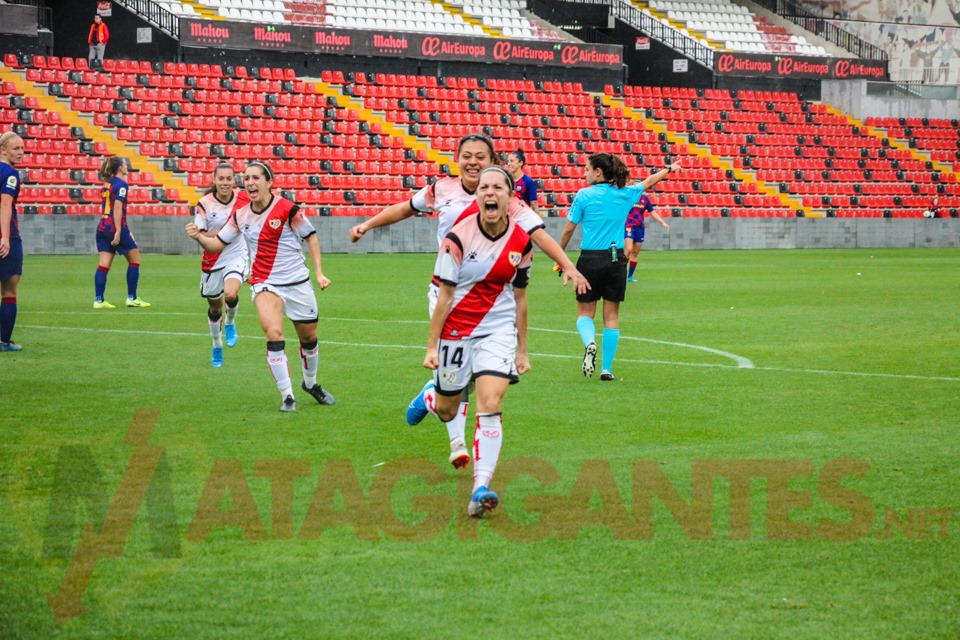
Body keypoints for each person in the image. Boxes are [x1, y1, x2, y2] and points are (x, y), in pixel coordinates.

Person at [350, 133, 587, 469]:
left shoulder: (506, 199)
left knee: (480, 374)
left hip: (491, 301)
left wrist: (568, 266)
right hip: (447, 294)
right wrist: (367, 224)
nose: (473, 162)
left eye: (480, 156)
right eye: (466, 156)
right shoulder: (440, 189)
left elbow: (538, 235)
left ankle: (436, 401)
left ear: (492, 162)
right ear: (456, 159)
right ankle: (456, 441)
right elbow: (405, 208)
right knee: (466, 374)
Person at [425, 166, 533, 518]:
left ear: (509, 195)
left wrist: (521, 349)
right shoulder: (457, 238)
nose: (489, 192)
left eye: (497, 187)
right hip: (456, 329)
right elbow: (444, 297)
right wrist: (431, 346)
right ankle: (430, 395)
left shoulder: (522, 241)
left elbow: (520, 298)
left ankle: (479, 488)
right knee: (448, 409)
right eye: (483, 187)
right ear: (477, 196)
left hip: (498, 329)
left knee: (491, 400)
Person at [186, 160, 335, 412]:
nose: (250, 182)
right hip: (265, 283)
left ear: (269, 182)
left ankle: (310, 383)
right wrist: (199, 236)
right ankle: (287, 395)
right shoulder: (240, 215)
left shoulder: (288, 209)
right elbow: (216, 245)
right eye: (246, 178)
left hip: (297, 282)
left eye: (256, 178)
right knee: (274, 335)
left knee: (309, 338)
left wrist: (319, 273)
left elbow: (310, 237)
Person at [558, 154, 681, 381]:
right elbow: (650, 181)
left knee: (585, 313)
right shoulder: (626, 194)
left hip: (590, 260)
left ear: (598, 172)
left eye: (587, 169)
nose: (584, 173)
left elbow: (568, 230)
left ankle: (590, 342)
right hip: (616, 261)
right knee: (612, 317)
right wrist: (669, 169)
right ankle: (606, 369)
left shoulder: (584, 195)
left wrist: (559, 258)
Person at [194, 162, 250, 367]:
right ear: (215, 180)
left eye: (229, 179)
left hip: (236, 254)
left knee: (231, 293)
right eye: (221, 179)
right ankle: (216, 345)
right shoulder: (204, 204)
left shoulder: (244, 199)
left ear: (234, 181)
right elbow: (200, 234)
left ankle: (230, 323)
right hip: (212, 259)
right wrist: (226, 233)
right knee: (215, 309)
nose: (225, 183)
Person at [94, 156, 150, 309]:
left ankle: (98, 300)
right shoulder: (122, 185)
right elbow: (117, 207)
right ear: (120, 168)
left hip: (102, 227)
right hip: (114, 228)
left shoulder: (107, 184)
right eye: (125, 164)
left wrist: (126, 230)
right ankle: (131, 298)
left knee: (103, 265)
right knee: (135, 260)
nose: (127, 166)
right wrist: (119, 231)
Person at [0, 132, 25, 352]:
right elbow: (5, 205)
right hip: (6, 237)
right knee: (9, 291)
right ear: (3, 150)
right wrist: (5, 237)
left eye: (22, 149)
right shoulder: (10, 174)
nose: (20, 153)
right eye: (16, 149)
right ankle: (4, 342)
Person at [624, 193, 669, 283]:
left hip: (640, 227)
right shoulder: (628, 196)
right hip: (629, 226)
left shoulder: (645, 198)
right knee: (628, 250)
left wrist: (663, 222)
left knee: (635, 252)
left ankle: (630, 276)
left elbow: (652, 212)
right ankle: (620, 274)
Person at [505, 148, 540, 216]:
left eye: (511, 161)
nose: (508, 164)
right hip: (509, 218)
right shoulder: (507, 181)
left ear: (520, 163)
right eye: (508, 161)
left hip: (523, 217)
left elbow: (534, 203)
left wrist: (539, 223)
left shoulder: (528, 181)